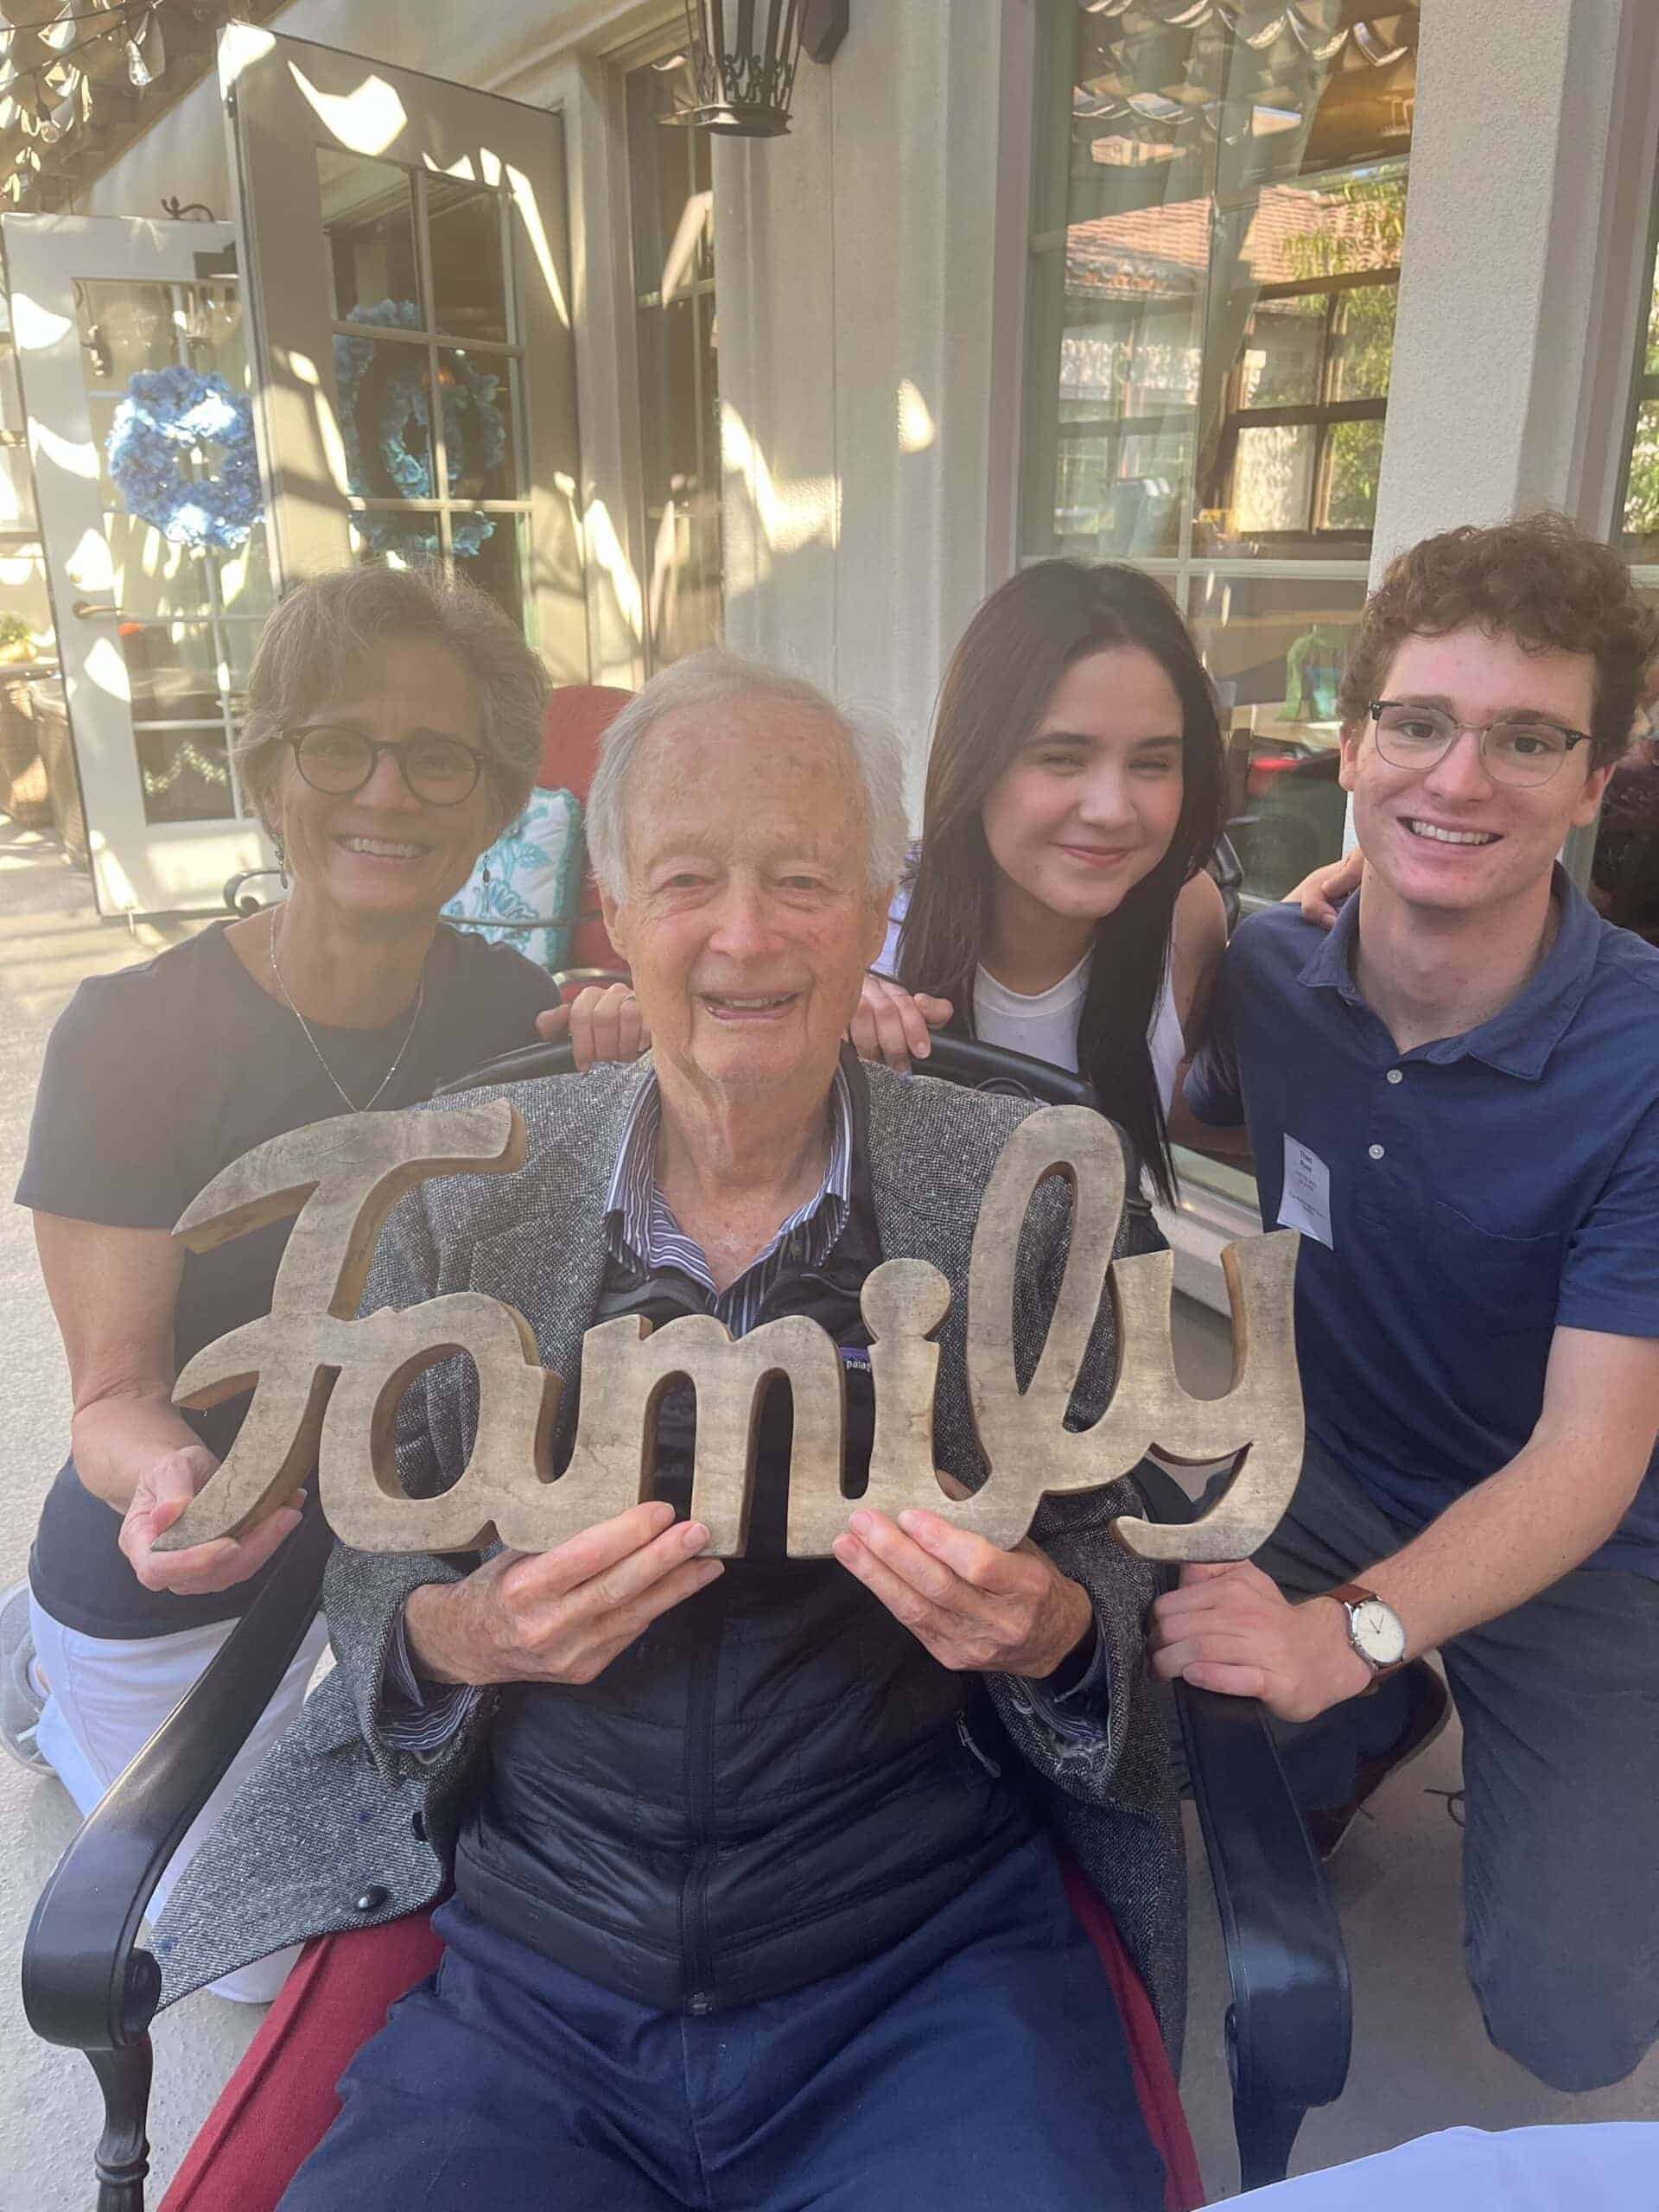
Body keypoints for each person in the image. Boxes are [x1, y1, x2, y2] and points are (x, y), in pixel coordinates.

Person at [152, 651, 1179, 2211]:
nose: (748, 936)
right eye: (689, 880)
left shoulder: (1028, 1185)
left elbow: (1134, 1550)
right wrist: (458, 1634)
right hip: (535, 1973)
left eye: (804, 880)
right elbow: (377, 1558)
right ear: (616, 915)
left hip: (922, 1963)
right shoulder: (468, 1191)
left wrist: (1055, 1632)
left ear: (881, 901)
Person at [0, 564, 568, 2002]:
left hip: (417, 1538)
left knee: (464, 1870)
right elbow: (115, 1395)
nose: (388, 790)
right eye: (337, 744)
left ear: (494, 800)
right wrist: (166, 1485)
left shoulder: (519, 1016)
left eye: (437, 755)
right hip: (201, 1549)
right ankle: (49, 1696)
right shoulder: (132, 1034)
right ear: (268, 773)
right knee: (239, 1966)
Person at [1156, 513, 1659, 2093]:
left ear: (1596, 779)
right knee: (1114, 1697)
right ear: (1357, 745)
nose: (1460, 778)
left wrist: (1351, 1631)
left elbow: (1588, 1456)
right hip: (1326, 1470)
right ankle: (1374, 1716)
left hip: (1581, 1541)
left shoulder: (1645, 1061)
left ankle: (1443, 1699)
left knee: (1570, 2026)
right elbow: (1204, 1112)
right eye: (1422, 726)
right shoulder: (1274, 969)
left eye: (1527, 739)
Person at [560, 562, 1228, 1205]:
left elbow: (1199, 1108)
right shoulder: (851, 923)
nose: (1111, 809)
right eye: (1061, 757)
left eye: (1151, 763)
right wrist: (635, 1021)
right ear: (978, 759)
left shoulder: (1187, 917)